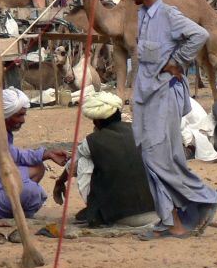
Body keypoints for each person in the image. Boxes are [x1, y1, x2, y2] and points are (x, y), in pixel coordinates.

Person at [125, 0, 217, 240]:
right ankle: (170, 220)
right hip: (145, 97)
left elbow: (199, 35)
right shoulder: (142, 16)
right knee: (151, 157)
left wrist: (177, 61)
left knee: (159, 159)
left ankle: (203, 198)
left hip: (163, 95)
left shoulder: (168, 15)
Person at [55, 91, 157, 228]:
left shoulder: (92, 141)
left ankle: (95, 212)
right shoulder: (141, 131)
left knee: (82, 161)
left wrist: (60, 182)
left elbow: (71, 165)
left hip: (122, 217)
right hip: (157, 211)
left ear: (96, 121)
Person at [0, 88, 68, 219]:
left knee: (38, 167)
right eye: (19, 115)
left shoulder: (2, 132)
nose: (23, 120)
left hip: (0, 182)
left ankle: (19, 206)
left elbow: (17, 155)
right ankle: (15, 212)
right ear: (6, 114)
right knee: (33, 192)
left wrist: (47, 154)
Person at [180, 97, 217, 162]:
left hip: (201, 139)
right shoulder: (182, 98)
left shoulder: (179, 101)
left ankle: (188, 152)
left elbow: (179, 126)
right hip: (200, 137)